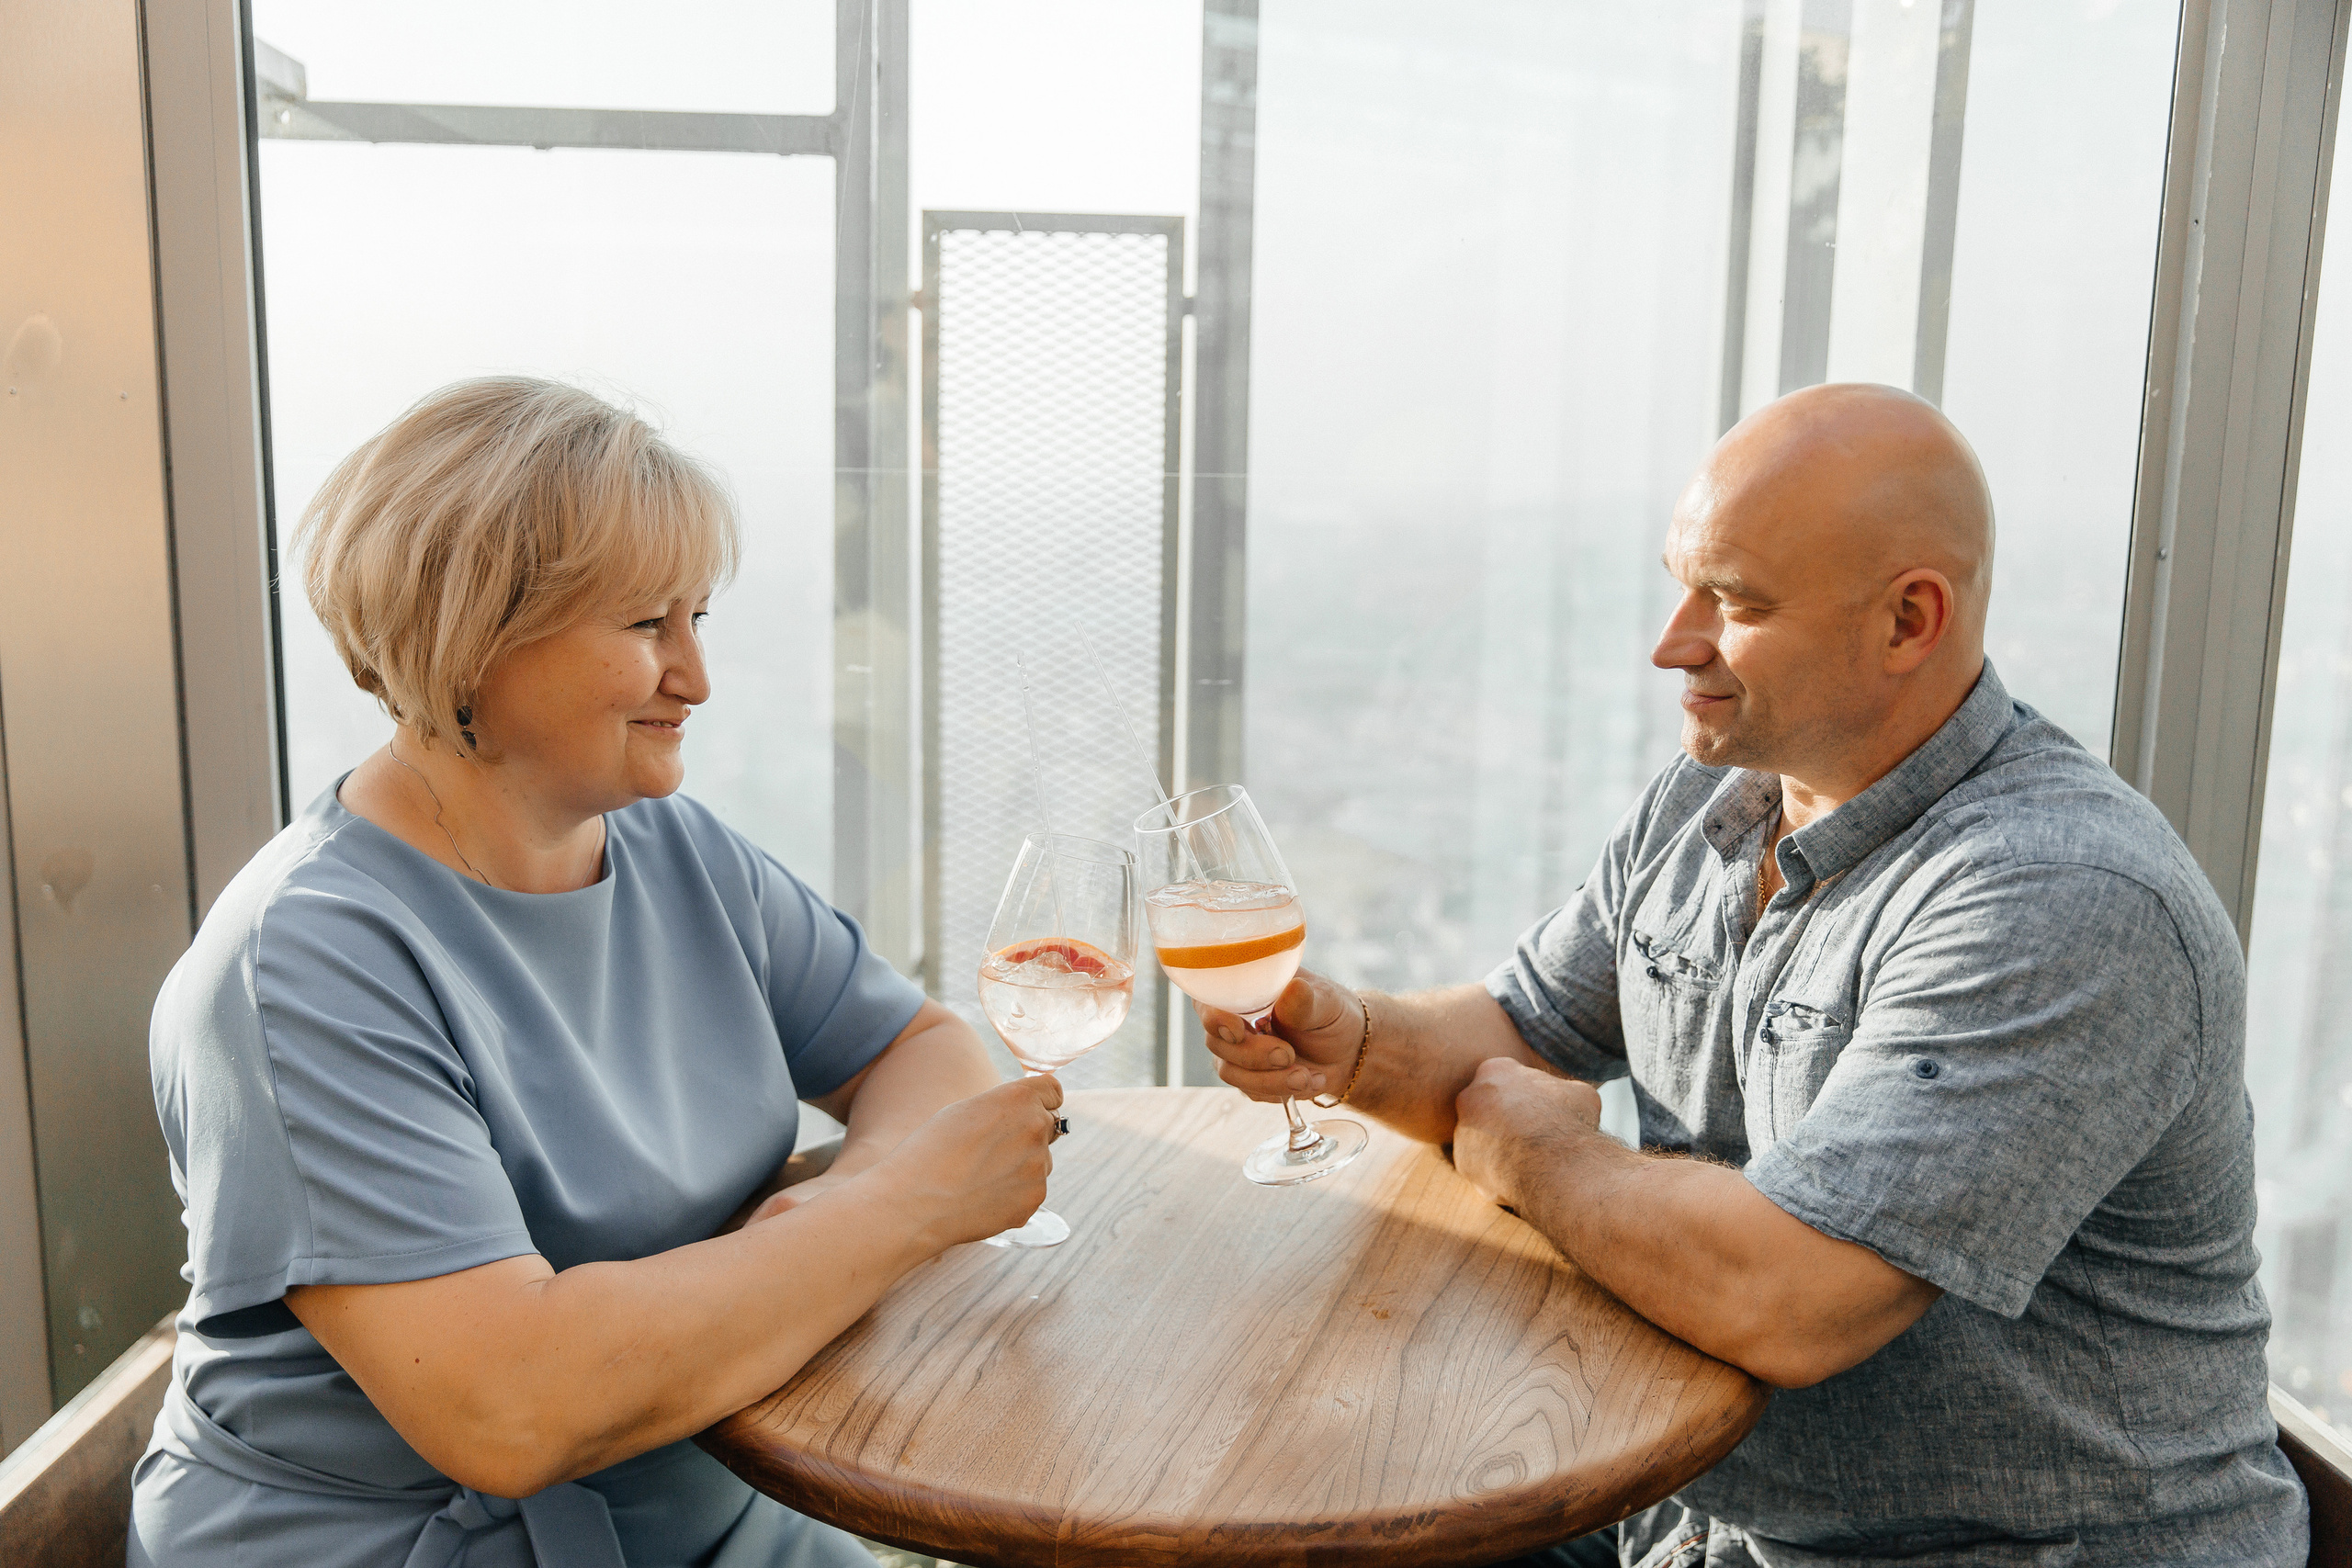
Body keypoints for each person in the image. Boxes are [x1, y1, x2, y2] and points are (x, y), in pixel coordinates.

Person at [1203, 384, 2308, 1566]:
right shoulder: (1719, 792)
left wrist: (1536, 1152)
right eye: (1684, 584)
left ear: (1908, 621)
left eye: (1732, 602)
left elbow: (1788, 1301)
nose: (1672, 641)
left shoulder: (2059, 898)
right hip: (1704, 1516)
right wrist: (1357, 1046)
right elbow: (1520, 1033)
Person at [132, 378, 1061, 1568]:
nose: (697, 677)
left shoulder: (672, 847)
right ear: (473, 636)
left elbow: (914, 1045)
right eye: (644, 626)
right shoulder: (306, 965)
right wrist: (902, 1205)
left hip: (718, 1497)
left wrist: (842, 1204)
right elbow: (511, 1409)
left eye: (697, 618)